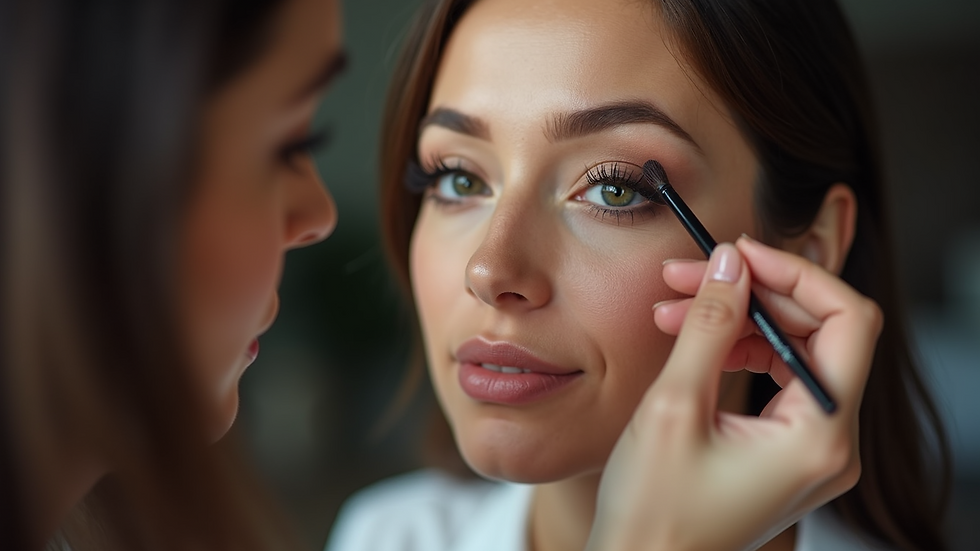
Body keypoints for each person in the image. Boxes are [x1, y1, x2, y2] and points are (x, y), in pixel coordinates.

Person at [324, 0, 951, 550]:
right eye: (459, 178)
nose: (488, 270)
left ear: (808, 251)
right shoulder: (386, 536)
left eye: (615, 191)